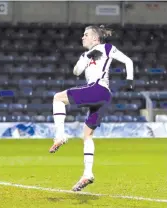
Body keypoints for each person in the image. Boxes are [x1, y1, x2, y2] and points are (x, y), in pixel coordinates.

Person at [49, 25, 134, 191]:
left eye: (86, 35)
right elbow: (76, 71)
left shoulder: (107, 47)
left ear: (95, 38)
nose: (82, 37)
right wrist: (86, 56)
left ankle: (60, 136)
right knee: (87, 135)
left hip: (98, 89)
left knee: (57, 98)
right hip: (104, 97)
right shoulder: (85, 54)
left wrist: (129, 80)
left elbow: (128, 61)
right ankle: (87, 174)